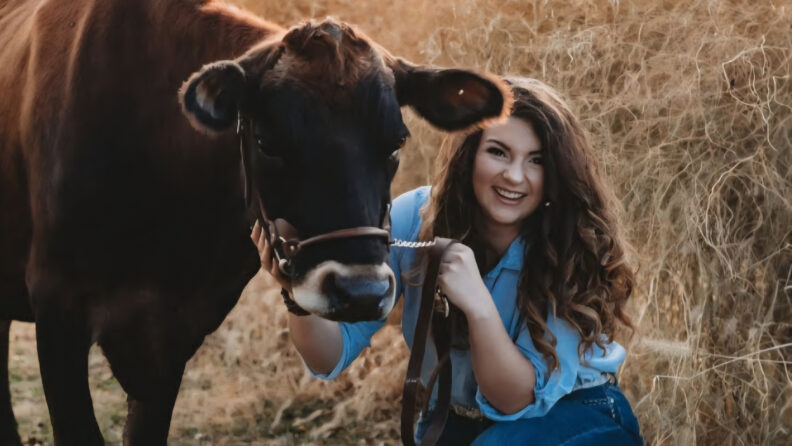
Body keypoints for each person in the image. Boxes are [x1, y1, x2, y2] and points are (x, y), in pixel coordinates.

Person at [251, 77, 644, 445]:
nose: (514, 176)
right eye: (498, 152)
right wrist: (297, 290)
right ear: (470, 154)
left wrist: (478, 306)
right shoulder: (416, 218)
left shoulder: (571, 246)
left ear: (556, 172)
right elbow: (331, 354)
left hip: (577, 418)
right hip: (457, 421)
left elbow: (516, 401)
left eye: (536, 160)